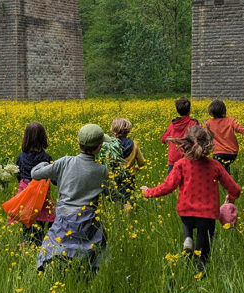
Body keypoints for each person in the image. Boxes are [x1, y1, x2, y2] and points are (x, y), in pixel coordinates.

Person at [142, 125, 241, 272]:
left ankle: (188, 238)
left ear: (186, 143)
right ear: (207, 143)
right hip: (207, 216)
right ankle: (200, 277)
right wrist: (230, 199)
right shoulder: (215, 165)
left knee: (187, 221)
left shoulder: (181, 164)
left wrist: (148, 192)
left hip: (186, 213)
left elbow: (167, 187)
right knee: (203, 254)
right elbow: (235, 189)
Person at [33, 124, 110, 274]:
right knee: (100, 243)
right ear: (99, 148)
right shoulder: (102, 170)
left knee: (50, 246)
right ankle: (91, 273)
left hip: (64, 218)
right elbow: (110, 194)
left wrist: (45, 163)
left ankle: (50, 272)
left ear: (78, 143)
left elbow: (35, 174)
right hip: (89, 220)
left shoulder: (65, 162)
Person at [11, 122, 56, 246]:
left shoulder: (20, 157)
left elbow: (18, 175)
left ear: (26, 138)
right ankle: (38, 247)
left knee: (27, 224)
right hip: (41, 199)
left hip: (25, 199)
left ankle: (26, 245)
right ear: (43, 138)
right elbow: (54, 179)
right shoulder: (46, 158)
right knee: (41, 224)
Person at [203, 99, 244, 174]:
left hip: (218, 153)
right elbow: (243, 130)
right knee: (225, 168)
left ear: (211, 111)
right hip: (232, 154)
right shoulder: (230, 120)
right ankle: (228, 179)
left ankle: (225, 182)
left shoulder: (209, 123)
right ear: (224, 110)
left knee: (219, 172)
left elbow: (202, 134)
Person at [106, 117, 145, 207]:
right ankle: (128, 214)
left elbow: (107, 161)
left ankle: (123, 212)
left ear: (113, 131)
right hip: (130, 176)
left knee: (117, 194)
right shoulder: (134, 144)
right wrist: (137, 168)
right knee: (128, 196)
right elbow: (141, 162)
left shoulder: (111, 146)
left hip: (115, 175)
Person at [161, 97, 200, 176]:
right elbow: (203, 135)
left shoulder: (172, 124)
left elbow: (163, 139)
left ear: (177, 111)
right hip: (188, 158)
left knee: (171, 185)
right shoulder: (194, 123)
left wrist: (171, 139)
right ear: (189, 111)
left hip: (173, 160)